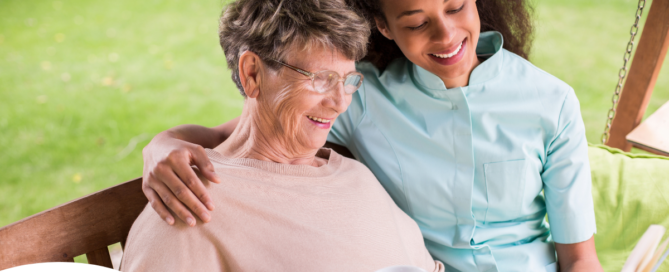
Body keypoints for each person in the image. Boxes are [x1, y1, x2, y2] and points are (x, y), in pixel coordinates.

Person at [140, 0, 603, 271]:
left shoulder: (550, 101)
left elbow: (579, 256)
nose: (446, 34)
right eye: (417, 22)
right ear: (385, 26)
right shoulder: (364, 97)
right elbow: (239, 134)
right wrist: (160, 146)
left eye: (457, 5)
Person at [121, 0, 444, 271]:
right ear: (252, 74)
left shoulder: (354, 175)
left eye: (347, 80)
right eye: (320, 78)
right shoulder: (190, 202)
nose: (340, 102)